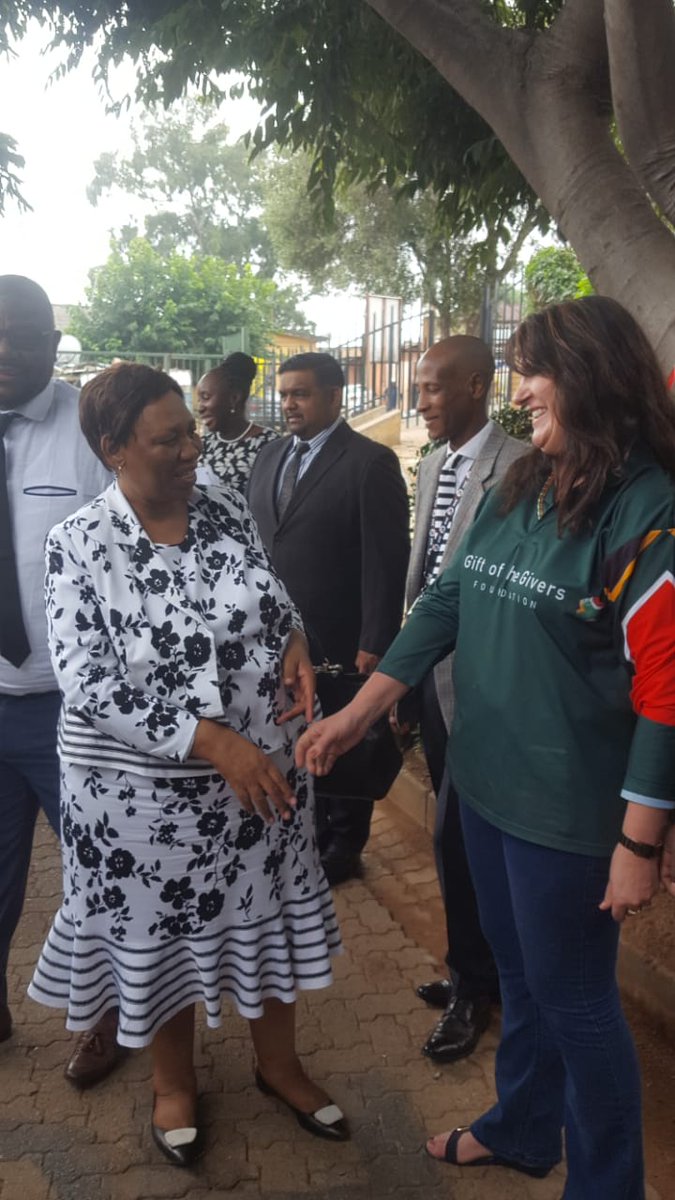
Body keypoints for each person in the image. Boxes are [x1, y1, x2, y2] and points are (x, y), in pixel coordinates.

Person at [296, 296, 675, 1199]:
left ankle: (607, 1185)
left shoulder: (648, 512)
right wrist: (358, 714)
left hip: (567, 815)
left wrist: (637, 842)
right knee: (518, 977)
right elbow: (446, 600)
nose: (521, 389)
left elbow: (665, 695)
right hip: (482, 785)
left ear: (590, 376)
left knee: (577, 1003)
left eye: (535, 371)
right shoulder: (526, 483)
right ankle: (521, 1128)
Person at [28, 362, 346, 1167]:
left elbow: (268, 591)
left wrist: (295, 638)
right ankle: (173, 1084)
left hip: (259, 779)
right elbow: (87, 680)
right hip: (140, 799)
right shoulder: (77, 543)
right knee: (162, 936)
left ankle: (279, 1067)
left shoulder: (223, 503)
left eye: (190, 432)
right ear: (113, 448)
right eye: (167, 439)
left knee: (268, 917)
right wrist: (212, 743)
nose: (190, 449)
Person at [0, 274, 122, 1086]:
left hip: (72, 711)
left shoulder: (91, 433)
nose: (4, 350)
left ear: (52, 343)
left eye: (21, 334)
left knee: (97, 867)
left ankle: (107, 1018)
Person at [400, 336, 527, 1064]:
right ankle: (472, 971)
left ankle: (479, 987)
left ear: (477, 386)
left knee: (463, 836)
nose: (420, 402)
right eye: (419, 387)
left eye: (433, 388)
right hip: (430, 674)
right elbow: (425, 575)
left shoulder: (521, 467)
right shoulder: (433, 465)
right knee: (450, 836)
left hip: (483, 684)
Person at [248, 352, 410, 886]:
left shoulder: (369, 462)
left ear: (335, 396)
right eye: (284, 394)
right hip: (274, 634)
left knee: (344, 740)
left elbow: (386, 559)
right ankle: (304, 828)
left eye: (301, 393)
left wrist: (376, 637)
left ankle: (344, 842)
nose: (288, 404)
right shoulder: (270, 455)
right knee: (292, 733)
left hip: (340, 636)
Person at [196, 352, 279, 493]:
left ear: (234, 398)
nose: (200, 408)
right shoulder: (203, 445)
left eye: (206, 397)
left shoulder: (269, 445)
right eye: (199, 400)